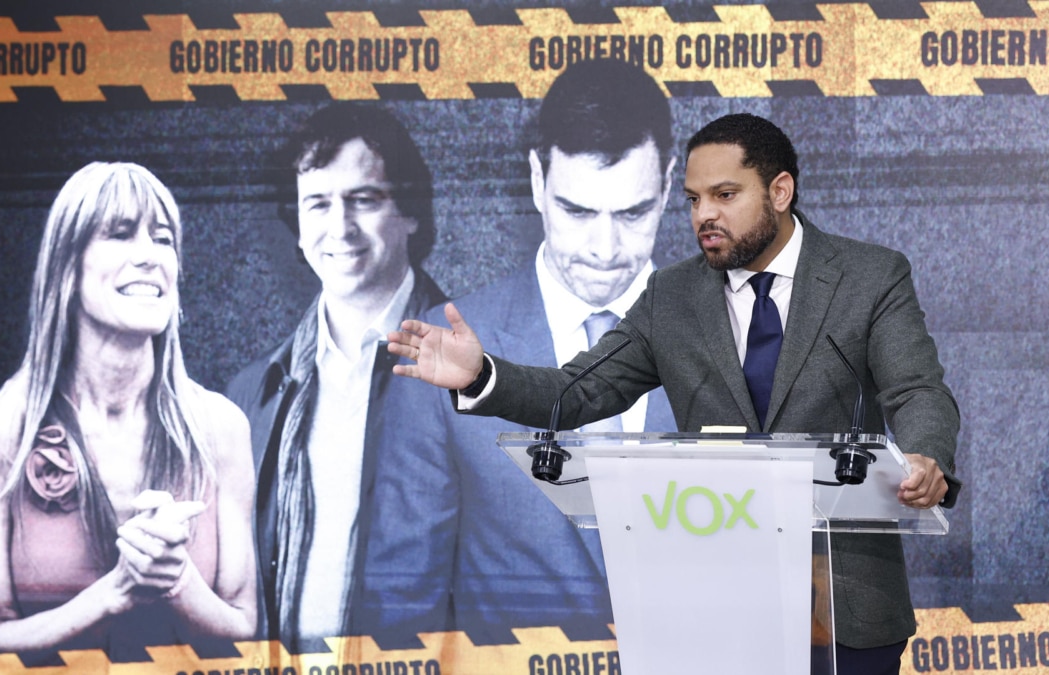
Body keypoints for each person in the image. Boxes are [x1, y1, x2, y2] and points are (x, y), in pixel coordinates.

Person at [387, 113, 961, 674]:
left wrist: (926, 456)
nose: (703, 215)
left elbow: (917, 392)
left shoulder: (869, 277)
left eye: (725, 195)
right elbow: (578, 392)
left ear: (780, 191)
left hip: (842, 611)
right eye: (693, 200)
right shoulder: (672, 296)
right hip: (715, 613)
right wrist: (481, 374)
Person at [358, 58, 678, 648]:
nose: (605, 249)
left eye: (632, 213)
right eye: (577, 212)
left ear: (668, 184)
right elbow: (397, 615)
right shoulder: (439, 349)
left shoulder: (746, 340)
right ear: (536, 181)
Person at [0, 162, 257, 664]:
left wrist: (177, 579)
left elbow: (245, 629)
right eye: (120, 235)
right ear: (67, 267)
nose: (148, 257)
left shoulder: (222, 427)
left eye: (162, 239)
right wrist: (113, 591)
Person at [225, 103, 448, 651]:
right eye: (317, 203)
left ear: (410, 212)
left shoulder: (477, 370)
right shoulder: (251, 395)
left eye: (364, 199)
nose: (339, 227)